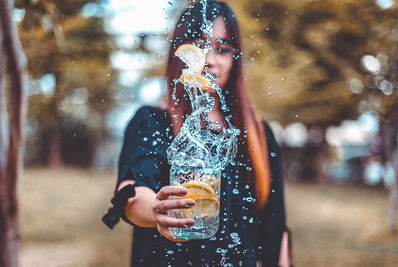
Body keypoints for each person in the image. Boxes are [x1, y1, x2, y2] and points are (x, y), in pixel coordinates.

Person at [115, 1, 288, 266]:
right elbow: (131, 194)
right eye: (198, 46)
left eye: (222, 49)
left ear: (235, 58)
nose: (209, 60)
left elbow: (275, 226)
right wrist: (156, 210)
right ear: (180, 54)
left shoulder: (260, 135)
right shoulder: (151, 122)